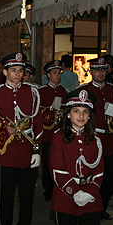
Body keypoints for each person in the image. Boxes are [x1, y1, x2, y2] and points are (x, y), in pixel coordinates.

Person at [50, 88, 107, 225]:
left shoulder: (96, 138)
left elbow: (99, 168)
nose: (81, 115)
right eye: (76, 111)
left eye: (85, 111)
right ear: (68, 114)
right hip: (66, 197)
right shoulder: (58, 137)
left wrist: (90, 191)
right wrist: (75, 192)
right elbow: (57, 169)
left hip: (91, 197)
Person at [0, 52, 43, 225]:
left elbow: (39, 124)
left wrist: (36, 150)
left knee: (27, 198)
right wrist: (1, 130)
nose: (18, 75)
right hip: (6, 153)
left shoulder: (33, 92)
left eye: (21, 71)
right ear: (5, 71)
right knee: (6, 197)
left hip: (27, 151)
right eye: (14, 70)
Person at [78, 57, 113, 220]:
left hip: (111, 138)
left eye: (103, 70)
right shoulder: (84, 89)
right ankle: (90, 206)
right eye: (97, 70)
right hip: (93, 136)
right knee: (92, 174)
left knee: (111, 176)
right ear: (91, 72)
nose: (100, 73)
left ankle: (102, 205)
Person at [38, 60, 68, 201]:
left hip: (60, 132)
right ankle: (48, 189)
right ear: (48, 75)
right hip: (47, 134)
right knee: (47, 162)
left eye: (59, 73)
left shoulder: (63, 91)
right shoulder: (42, 92)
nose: (57, 76)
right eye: (54, 73)